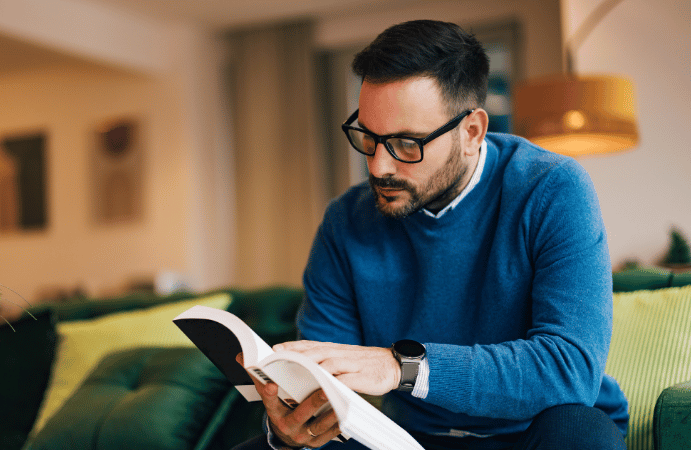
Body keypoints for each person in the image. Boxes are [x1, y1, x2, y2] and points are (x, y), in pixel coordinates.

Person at [234, 19, 629, 450]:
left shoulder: (552, 189)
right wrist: (293, 429)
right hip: (411, 438)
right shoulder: (345, 221)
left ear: (471, 132)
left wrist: (400, 366)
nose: (378, 166)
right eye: (368, 136)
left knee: (577, 436)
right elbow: (327, 388)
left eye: (407, 143)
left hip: (537, 431)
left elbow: (569, 370)